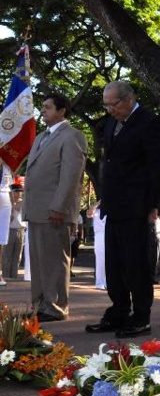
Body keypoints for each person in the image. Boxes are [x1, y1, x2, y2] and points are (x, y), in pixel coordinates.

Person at [85, 81, 160, 339]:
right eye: (106, 105)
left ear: (129, 99)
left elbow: (157, 166)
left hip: (137, 206)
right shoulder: (110, 123)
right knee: (114, 264)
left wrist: (153, 204)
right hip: (113, 205)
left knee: (136, 264)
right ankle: (118, 311)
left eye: (114, 104)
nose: (110, 110)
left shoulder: (149, 122)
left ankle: (141, 316)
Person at [22, 94, 88, 321]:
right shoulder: (41, 136)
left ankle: (56, 308)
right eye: (42, 107)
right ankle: (40, 305)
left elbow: (70, 176)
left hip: (54, 212)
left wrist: (60, 207)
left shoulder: (72, 136)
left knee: (54, 262)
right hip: (36, 210)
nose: (42, 111)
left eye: (47, 107)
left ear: (62, 111)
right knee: (39, 262)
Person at [2, 180, 25, 281]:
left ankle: (14, 277)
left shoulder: (23, 203)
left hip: (21, 230)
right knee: (7, 256)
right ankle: (6, 276)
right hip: (10, 231)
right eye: (16, 191)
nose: (19, 193)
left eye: (20, 191)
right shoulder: (6, 204)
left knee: (17, 257)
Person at [86, 201, 107, 290]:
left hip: (110, 234)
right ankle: (100, 282)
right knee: (100, 259)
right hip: (100, 235)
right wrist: (98, 203)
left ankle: (108, 281)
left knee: (110, 259)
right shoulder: (96, 210)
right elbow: (89, 214)